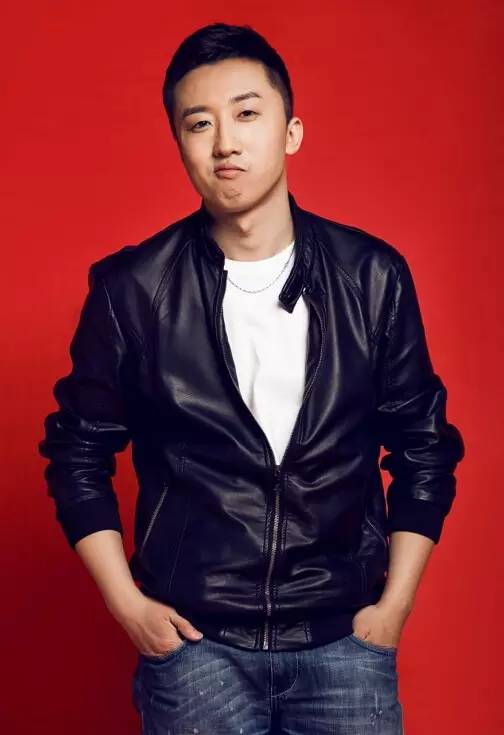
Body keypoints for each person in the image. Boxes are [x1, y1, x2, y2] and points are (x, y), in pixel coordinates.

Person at [38, 21, 465, 735]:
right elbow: (76, 454)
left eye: (246, 114)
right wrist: (128, 605)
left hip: (344, 643)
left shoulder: (372, 276)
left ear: (290, 132)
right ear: (180, 144)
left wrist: (392, 609)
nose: (225, 143)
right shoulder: (132, 289)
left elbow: (425, 447)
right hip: (196, 651)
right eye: (199, 123)